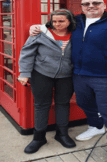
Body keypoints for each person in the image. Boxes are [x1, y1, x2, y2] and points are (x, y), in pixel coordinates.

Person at [30, 0, 107, 162]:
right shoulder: (76, 21)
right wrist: (35, 28)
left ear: (104, 5)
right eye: (86, 4)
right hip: (79, 75)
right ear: (82, 7)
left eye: (96, 3)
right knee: (84, 103)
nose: (91, 6)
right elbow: (52, 26)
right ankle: (96, 127)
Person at [18, 9, 77, 154]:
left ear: (69, 21)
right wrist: (24, 73)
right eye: (54, 21)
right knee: (41, 105)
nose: (57, 24)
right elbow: (27, 52)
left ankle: (62, 134)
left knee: (63, 104)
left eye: (61, 21)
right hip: (41, 73)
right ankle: (39, 138)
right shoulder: (41, 32)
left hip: (67, 75)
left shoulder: (77, 33)